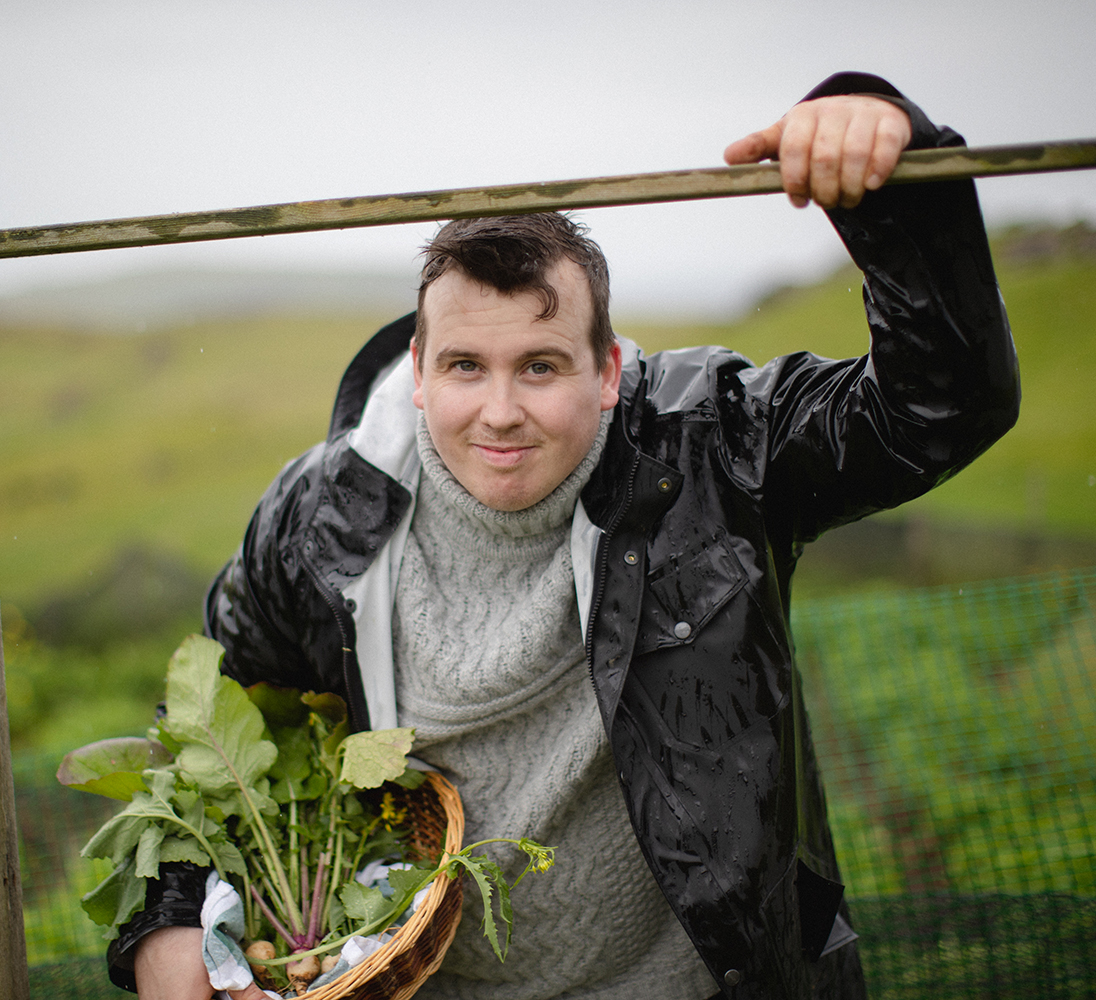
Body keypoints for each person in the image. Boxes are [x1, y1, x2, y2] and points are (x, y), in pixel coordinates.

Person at [108, 72, 1020, 1000]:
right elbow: (204, 721)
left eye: (541, 366)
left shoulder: (713, 451)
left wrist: (889, 157)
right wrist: (166, 916)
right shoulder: (322, 516)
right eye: (466, 365)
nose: (499, 413)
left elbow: (942, 406)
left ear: (610, 370)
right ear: (420, 369)